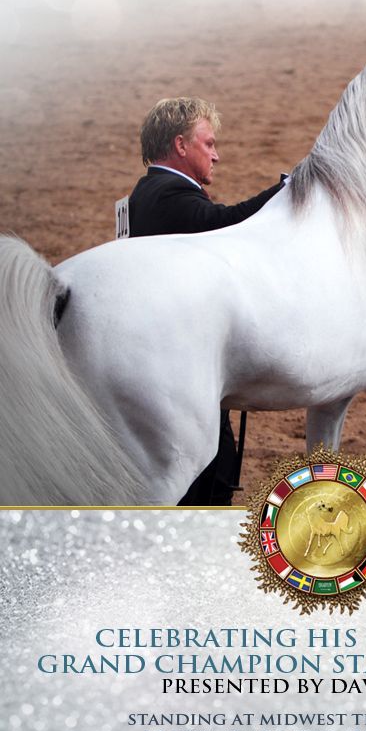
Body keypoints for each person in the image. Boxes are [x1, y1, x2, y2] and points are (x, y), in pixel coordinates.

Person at [127, 96, 283, 506]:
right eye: (208, 143)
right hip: (177, 366)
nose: (216, 155)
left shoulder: (151, 190)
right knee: (206, 480)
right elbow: (223, 224)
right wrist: (285, 192)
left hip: (171, 361)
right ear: (180, 145)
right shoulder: (167, 194)